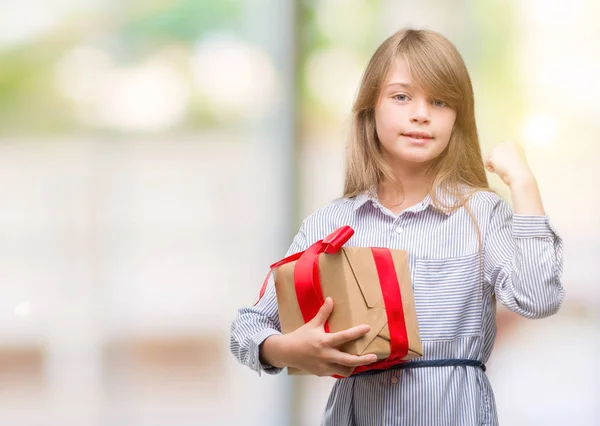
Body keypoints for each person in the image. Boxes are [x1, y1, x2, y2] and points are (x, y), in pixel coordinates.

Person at [229, 28, 564, 426]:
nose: (421, 113)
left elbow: (538, 298)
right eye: (401, 96)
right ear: (371, 108)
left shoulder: (482, 214)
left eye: (439, 101)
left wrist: (524, 185)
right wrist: (284, 350)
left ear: (458, 116)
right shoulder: (331, 223)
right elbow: (248, 327)